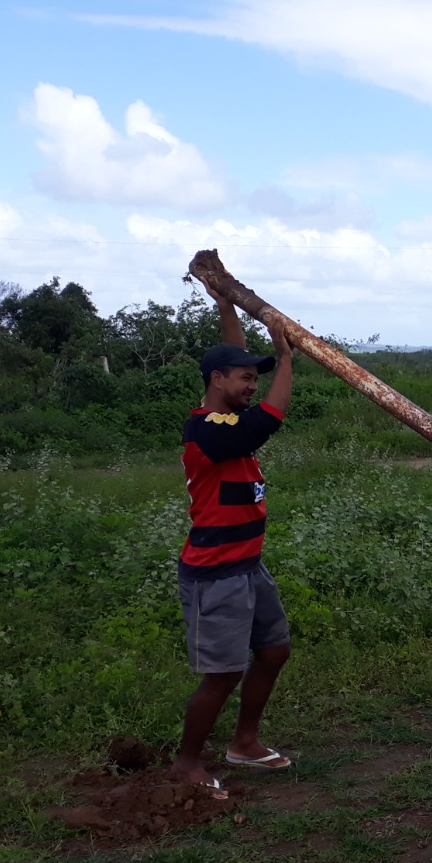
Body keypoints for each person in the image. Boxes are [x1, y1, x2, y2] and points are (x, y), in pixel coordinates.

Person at [170, 288, 295, 799]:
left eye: (257, 377)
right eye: (244, 378)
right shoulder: (208, 432)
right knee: (222, 674)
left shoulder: (225, 416)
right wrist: (286, 357)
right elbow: (266, 421)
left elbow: (233, 355)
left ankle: (245, 742)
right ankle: (186, 765)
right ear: (216, 381)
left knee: (274, 651)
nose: (252, 385)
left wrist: (225, 301)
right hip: (216, 572)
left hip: (248, 565)